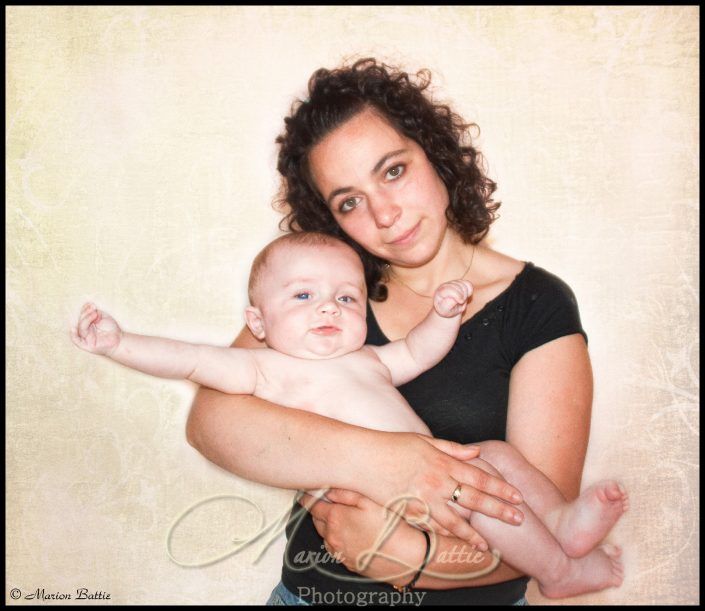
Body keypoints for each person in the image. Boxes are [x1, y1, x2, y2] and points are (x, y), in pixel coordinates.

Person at [186, 58, 601, 605]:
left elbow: (551, 533)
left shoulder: (535, 306)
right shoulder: (324, 303)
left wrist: (410, 560)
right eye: (349, 201)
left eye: (393, 171)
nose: (383, 214)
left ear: (436, 154)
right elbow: (211, 421)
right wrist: (386, 462)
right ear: (332, 220)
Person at [71, 232, 626, 599]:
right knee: (479, 492)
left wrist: (443, 315)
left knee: (497, 457)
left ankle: (558, 525)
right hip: (390, 505)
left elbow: (418, 352)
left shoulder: (367, 359)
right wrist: (120, 343)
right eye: (304, 296)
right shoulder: (267, 370)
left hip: (436, 483)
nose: (328, 309)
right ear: (257, 323)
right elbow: (190, 359)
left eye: (346, 298)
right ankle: (557, 572)